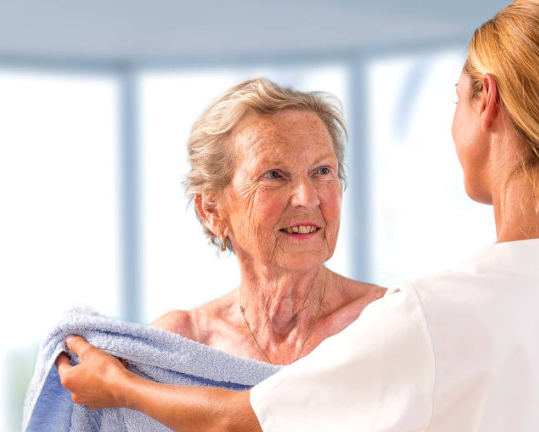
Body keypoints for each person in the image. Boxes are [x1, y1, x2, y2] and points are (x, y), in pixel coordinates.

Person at [57, 1, 539, 432]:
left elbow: (243, 430)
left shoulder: (433, 312)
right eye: (276, 176)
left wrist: (119, 387)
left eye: (457, 98)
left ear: (488, 102)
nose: (307, 198)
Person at [158, 77, 386, 365]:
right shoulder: (181, 343)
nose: (307, 197)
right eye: (274, 175)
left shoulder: (389, 320)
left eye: (322, 171)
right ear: (212, 211)